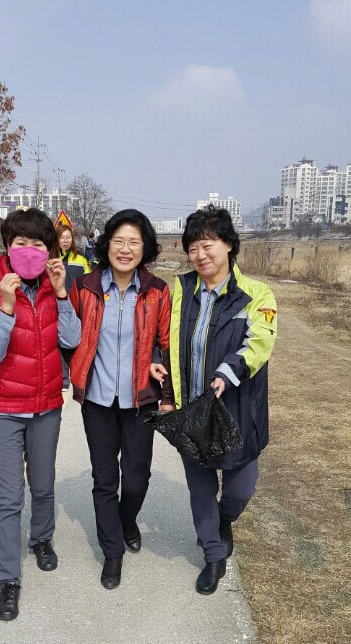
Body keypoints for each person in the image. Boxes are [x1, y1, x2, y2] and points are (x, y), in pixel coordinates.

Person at [0, 207, 81, 621]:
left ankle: (41, 539)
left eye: (38, 244)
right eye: (21, 243)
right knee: (10, 496)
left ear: (49, 249)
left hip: (46, 404)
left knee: (44, 483)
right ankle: (8, 579)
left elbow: (71, 339)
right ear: (7, 246)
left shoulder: (55, 285)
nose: (30, 250)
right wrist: (5, 306)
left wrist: (62, 293)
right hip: (2, 408)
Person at [168, 204, 277, 595]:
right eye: (193, 247)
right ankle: (213, 555)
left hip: (238, 410)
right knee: (201, 490)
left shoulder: (256, 295)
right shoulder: (179, 290)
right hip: (192, 412)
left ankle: (223, 519)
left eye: (208, 244)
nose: (200, 255)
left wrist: (228, 372)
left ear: (229, 245)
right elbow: (162, 338)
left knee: (241, 488)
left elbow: (260, 341)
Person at [68, 209, 173, 590]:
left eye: (134, 242)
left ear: (145, 248)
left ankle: (127, 521)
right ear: (106, 244)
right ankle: (112, 552)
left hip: (140, 400)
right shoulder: (85, 287)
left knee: (137, 478)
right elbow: (68, 335)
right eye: (118, 241)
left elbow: (165, 343)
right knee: (104, 480)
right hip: (97, 400)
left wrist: (166, 395)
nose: (125, 249)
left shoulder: (157, 291)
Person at [53, 223, 91, 390]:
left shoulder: (81, 259)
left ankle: (78, 376)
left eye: (68, 237)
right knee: (59, 341)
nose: (66, 240)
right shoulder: (51, 259)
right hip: (57, 305)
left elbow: (89, 281)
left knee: (76, 341)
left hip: (77, 305)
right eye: (62, 237)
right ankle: (64, 379)